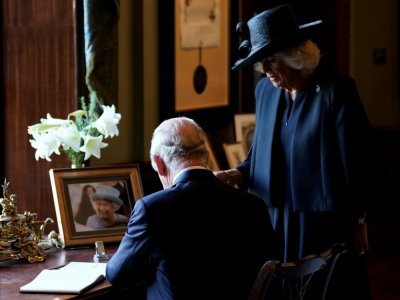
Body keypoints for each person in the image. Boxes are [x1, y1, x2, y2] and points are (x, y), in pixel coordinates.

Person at [215, 4, 379, 299]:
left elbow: (358, 162)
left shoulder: (335, 90)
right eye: (261, 62)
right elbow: (260, 151)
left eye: (271, 61)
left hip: (322, 222)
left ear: (295, 56)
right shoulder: (265, 90)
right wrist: (236, 173)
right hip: (276, 217)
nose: (265, 71)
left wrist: (359, 220)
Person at [106, 117, 275, 300]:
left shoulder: (152, 208)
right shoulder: (253, 205)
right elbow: (269, 271)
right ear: (206, 156)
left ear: (160, 164)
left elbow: (117, 274)